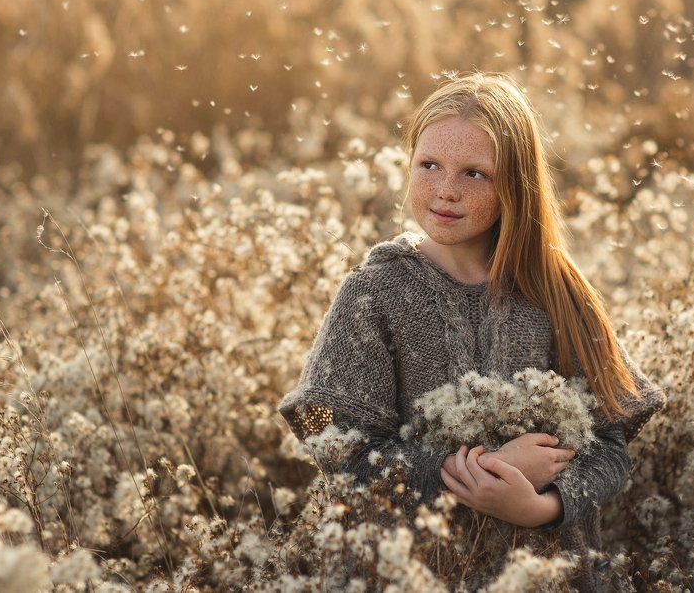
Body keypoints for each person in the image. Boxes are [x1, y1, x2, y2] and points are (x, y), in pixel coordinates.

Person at [279, 72, 665, 591]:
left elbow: (610, 442)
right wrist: (483, 470)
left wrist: (541, 507)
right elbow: (333, 439)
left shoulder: (555, 290)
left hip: (549, 576)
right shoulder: (375, 292)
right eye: (429, 165)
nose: (446, 190)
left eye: (476, 174)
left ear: (516, 186)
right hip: (417, 574)